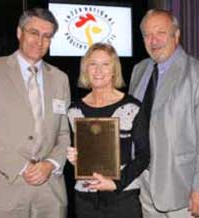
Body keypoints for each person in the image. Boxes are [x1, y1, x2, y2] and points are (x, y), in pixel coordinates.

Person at [0, 8, 70, 218]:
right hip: (3, 189)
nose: (40, 41)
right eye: (34, 32)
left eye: (47, 36)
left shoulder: (60, 78)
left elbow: (63, 134)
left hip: (50, 192)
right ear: (19, 32)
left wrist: (50, 164)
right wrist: (22, 166)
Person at [129, 9, 199, 218]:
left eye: (160, 32)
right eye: (147, 34)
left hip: (185, 189)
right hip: (145, 184)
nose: (153, 40)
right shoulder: (139, 70)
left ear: (176, 35)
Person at [67, 42, 150, 218]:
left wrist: (115, 183)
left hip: (122, 197)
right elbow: (76, 152)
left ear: (114, 70)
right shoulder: (73, 110)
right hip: (85, 197)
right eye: (93, 64)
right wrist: (74, 159)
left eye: (105, 65)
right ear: (85, 69)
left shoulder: (132, 107)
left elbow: (144, 154)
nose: (98, 71)